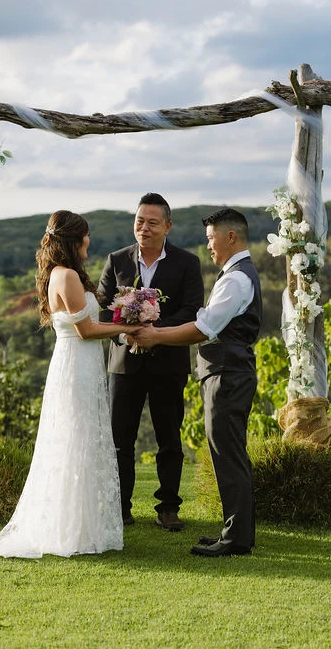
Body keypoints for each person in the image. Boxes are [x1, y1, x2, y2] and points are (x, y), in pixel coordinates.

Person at [0, 211, 138, 559]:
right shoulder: (68, 276)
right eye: (86, 236)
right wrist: (127, 329)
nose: (89, 241)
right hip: (77, 366)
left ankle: (78, 526)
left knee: (79, 441)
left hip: (78, 364)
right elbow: (86, 330)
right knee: (77, 440)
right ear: (74, 240)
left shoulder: (59, 274)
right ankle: (71, 532)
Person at [130, 208, 261, 557]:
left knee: (228, 454)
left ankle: (235, 540)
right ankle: (237, 533)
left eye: (211, 239)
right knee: (228, 453)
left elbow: (204, 328)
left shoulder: (235, 279)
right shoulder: (236, 274)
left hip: (228, 374)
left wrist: (155, 336)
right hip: (227, 372)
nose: (209, 247)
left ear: (230, 237)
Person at [98, 193, 204, 531]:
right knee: (119, 441)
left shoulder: (188, 263)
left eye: (152, 222)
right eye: (139, 221)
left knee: (169, 439)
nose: (144, 227)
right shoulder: (116, 260)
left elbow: (191, 310)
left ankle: (168, 508)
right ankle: (120, 507)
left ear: (167, 226)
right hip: (124, 365)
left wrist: (154, 331)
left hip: (168, 363)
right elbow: (102, 310)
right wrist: (125, 334)